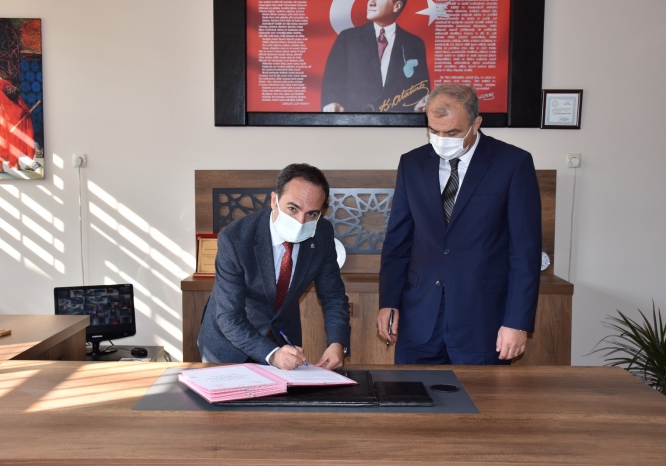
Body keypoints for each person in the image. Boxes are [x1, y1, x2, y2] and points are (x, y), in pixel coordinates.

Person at [377, 84, 542, 365]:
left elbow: (525, 252)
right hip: (419, 318)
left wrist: (517, 322)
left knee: (481, 394)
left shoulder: (513, 164)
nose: (442, 140)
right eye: (434, 131)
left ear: (476, 124)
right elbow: (398, 242)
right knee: (411, 390)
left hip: (483, 319)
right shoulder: (412, 163)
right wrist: (389, 302)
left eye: (452, 133)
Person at [198, 164, 350, 370]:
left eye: (312, 214)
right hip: (229, 345)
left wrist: (337, 343)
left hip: (284, 340)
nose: (300, 221)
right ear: (274, 200)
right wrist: (271, 354)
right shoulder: (235, 239)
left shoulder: (322, 234)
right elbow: (229, 316)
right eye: (293, 209)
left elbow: (333, 297)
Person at [321, 0, 429, 113]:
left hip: (398, 122)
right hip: (354, 121)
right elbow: (331, 82)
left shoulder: (415, 44)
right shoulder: (347, 38)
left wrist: (420, 106)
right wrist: (332, 103)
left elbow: (422, 90)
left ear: (397, 6)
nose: (370, 3)